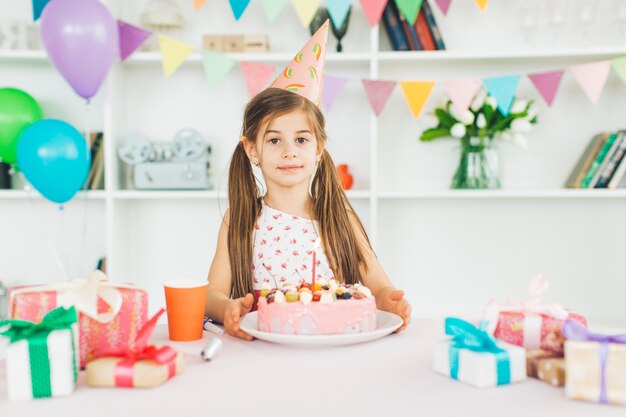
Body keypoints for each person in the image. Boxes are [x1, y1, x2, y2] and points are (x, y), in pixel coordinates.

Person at [205, 22, 411, 340]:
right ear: (252, 149)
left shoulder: (338, 218)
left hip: (335, 350)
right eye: (274, 141)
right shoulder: (241, 220)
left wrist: (387, 300)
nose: (289, 152)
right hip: (264, 352)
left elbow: (379, 284)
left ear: (318, 149)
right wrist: (228, 308)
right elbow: (211, 296)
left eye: (301, 140)